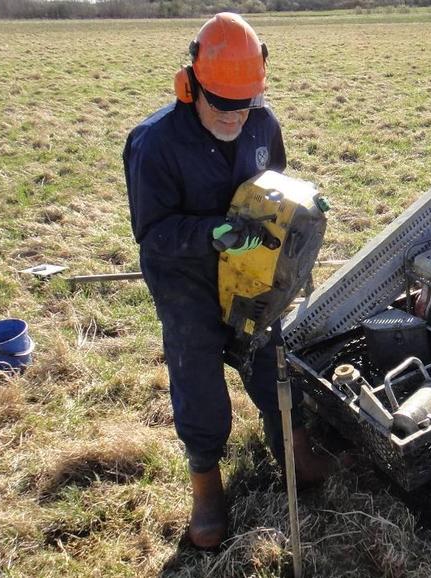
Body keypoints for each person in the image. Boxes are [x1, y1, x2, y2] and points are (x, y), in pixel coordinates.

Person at [123, 12, 332, 550]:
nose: (237, 118)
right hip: (185, 277)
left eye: (247, 104)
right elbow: (153, 234)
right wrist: (209, 235)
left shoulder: (262, 120)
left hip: (253, 271)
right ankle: (206, 484)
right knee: (197, 374)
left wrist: (301, 209)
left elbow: (275, 184)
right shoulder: (154, 144)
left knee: (270, 353)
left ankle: (291, 445)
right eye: (223, 105)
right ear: (190, 84)